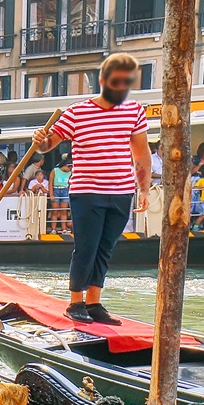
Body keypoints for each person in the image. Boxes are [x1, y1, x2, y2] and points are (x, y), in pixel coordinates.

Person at [33, 53, 151, 323]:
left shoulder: (134, 111)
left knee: (105, 248)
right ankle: (75, 303)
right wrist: (38, 138)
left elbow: (141, 154)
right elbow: (47, 145)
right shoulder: (77, 112)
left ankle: (94, 302)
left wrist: (143, 190)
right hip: (87, 192)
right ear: (103, 80)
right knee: (86, 247)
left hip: (121, 191)